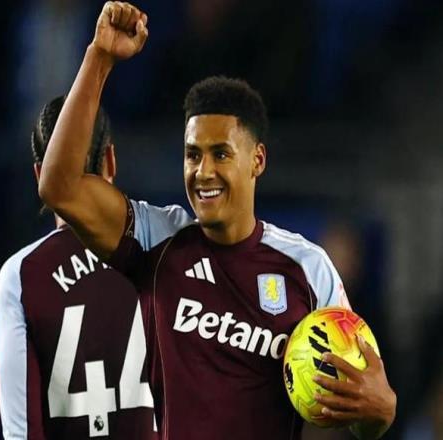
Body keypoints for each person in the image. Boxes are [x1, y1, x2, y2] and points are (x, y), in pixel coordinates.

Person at [38, 2, 397, 439]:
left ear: (257, 160)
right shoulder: (156, 239)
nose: (203, 171)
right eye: (192, 155)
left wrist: (381, 410)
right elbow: (59, 187)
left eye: (221, 154)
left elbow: (364, 411)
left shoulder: (308, 267)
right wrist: (98, 58)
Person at [0, 96, 157, 439]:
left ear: (40, 175)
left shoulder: (22, 276)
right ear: (110, 161)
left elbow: (21, 433)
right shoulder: (165, 249)